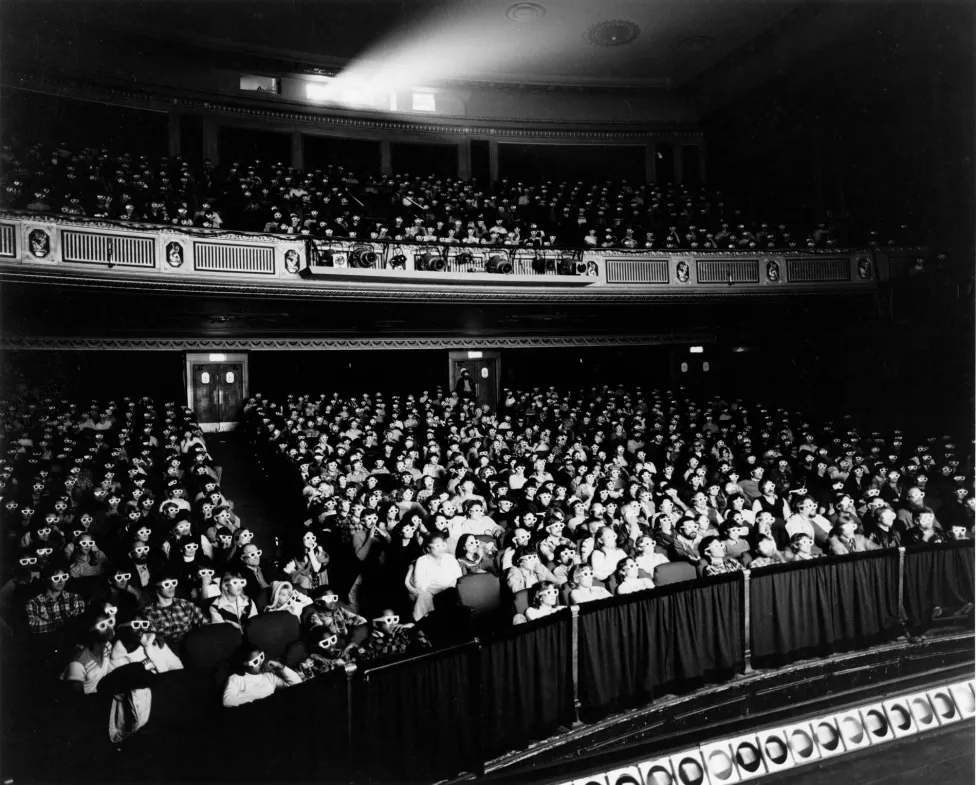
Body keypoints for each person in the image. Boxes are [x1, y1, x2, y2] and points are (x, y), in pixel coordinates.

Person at [143, 572, 209, 649]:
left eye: (173, 583)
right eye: (167, 584)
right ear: (156, 589)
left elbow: (206, 624)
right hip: (167, 652)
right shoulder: (149, 613)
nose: (172, 587)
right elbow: (151, 641)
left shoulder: (186, 604)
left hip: (192, 647)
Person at [405, 533, 462, 621]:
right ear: (428, 548)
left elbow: (458, 577)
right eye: (437, 546)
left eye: (443, 545)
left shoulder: (450, 558)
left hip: (452, 593)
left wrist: (447, 586)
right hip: (433, 596)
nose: (441, 548)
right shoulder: (422, 561)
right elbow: (420, 585)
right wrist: (443, 586)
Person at [222, 647, 303, 707]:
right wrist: (262, 700)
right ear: (245, 664)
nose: (261, 662)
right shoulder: (235, 678)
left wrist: (281, 667)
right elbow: (227, 701)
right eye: (256, 661)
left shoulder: (269, 676)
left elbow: (298, 684)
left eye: (261, 656)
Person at [350, 609, 432, 666]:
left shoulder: (402, 636)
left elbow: (428, 647)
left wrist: (413, 628)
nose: (393, 623)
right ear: (376, 624)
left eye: (395, 619)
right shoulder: (370, 643)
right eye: (389, 620)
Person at [61, 611, 117, 694]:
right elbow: (75, 699)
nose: (109, 628)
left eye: (109, 622)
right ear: (90, 633)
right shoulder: (78, 663)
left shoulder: (108, 647)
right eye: (102, 625)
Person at [26, 563, 87, 635]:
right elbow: (34, 627)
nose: (61, 581)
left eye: (64, 577)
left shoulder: (75, 599)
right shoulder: (34, 603)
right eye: (56, 578)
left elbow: (80, 624)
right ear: (45, 580)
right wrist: (67, 622)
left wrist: (47, 623)